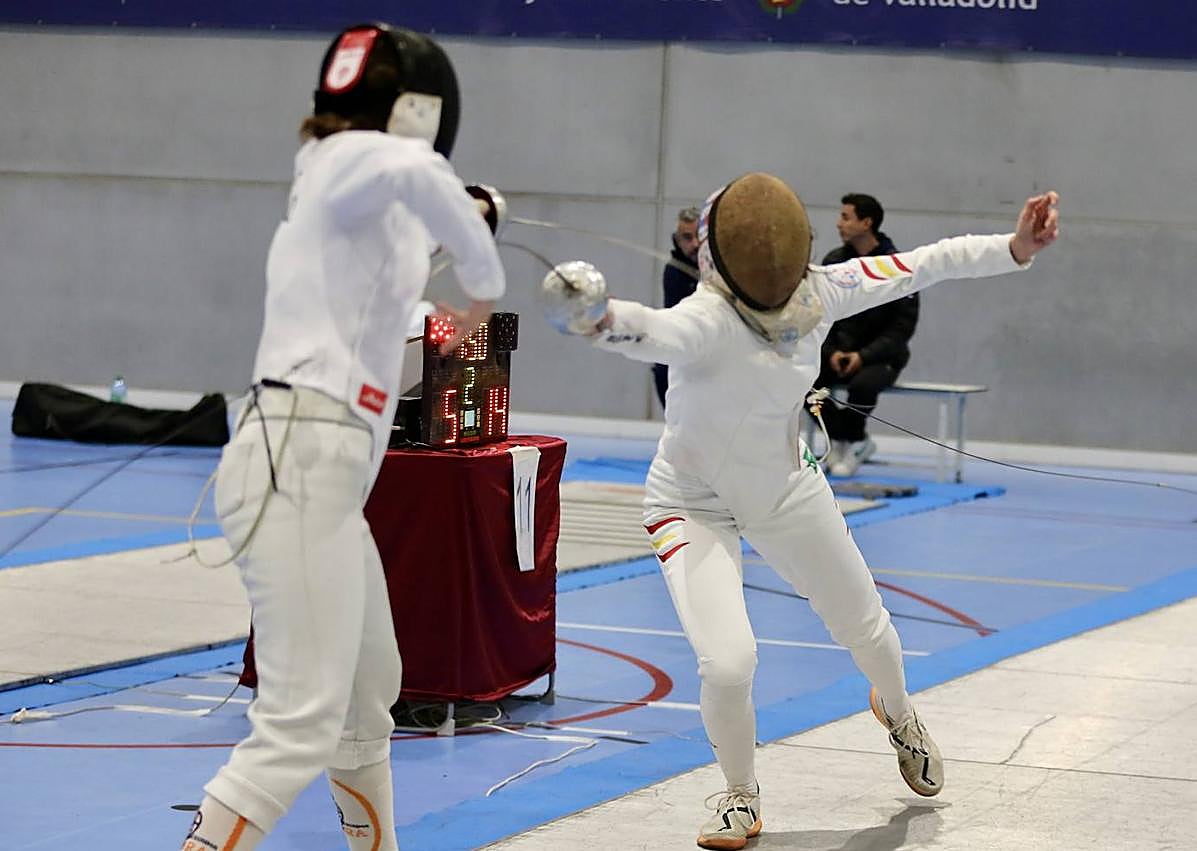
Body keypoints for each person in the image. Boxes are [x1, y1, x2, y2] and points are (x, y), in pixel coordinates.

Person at [541, 173, 1058, 850]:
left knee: (869, 630)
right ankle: (739, 794)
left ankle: (897, 712)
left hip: (786, 488)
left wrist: (1014, 246)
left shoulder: (824, 288)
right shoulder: (706, 318)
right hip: (689, 502)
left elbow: (925, 263)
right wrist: (598, 318)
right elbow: (648, 329)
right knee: (727, 664)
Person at [181, 23, 505, 851]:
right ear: (418, 112)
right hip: (299, 460)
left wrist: (473, 224)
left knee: (366, 698)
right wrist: (483, 278)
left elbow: (401, 276)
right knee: (298, 723)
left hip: (319, 477)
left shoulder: (351, 206)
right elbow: (414, 172)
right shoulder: (361, 161)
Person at [814, 193, 918, 476]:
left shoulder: (897, 268)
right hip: (838, 352)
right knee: (803, 380)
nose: (839, 224)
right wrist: (831, 351)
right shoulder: (834, 262)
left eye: (845, 217)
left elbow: (901, 328)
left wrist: (863, 356)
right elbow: (821, 314)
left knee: (863, 386)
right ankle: (846, 438)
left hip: (880, 357)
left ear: (866, 223)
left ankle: (851, 440)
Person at [652, 206, 701, 409]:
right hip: (689, 343)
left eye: (699, 236)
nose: (695, 244)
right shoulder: (674, 271)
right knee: (662, 368)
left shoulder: (724, 268)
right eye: (687, 238)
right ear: (677, 240)